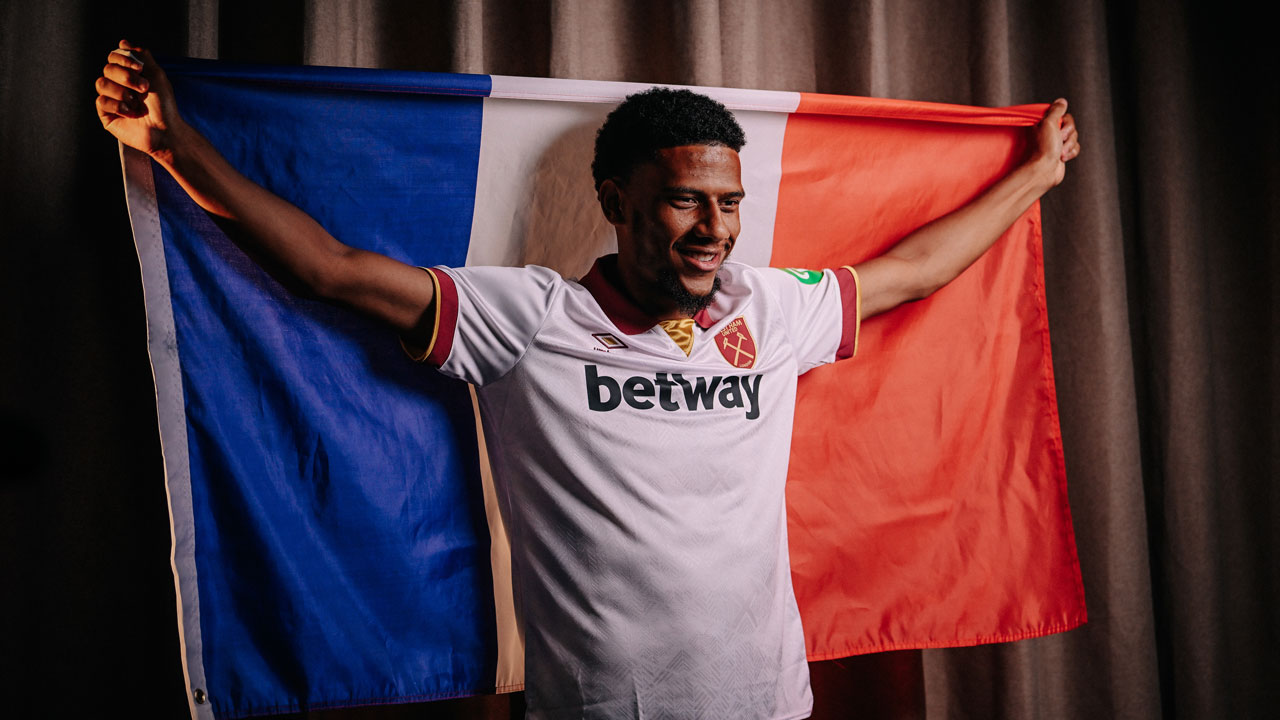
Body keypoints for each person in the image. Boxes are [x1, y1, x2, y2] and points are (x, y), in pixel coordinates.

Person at [97, 40, 1079, 720]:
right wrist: (176, 146)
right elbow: (330, 269)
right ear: (614, 200)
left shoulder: (771, 306)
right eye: (682, 202)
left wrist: (1033, 175)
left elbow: (912, 271)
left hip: (772, 703)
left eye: (729, 203)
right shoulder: (524, 318)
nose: (712, 229)